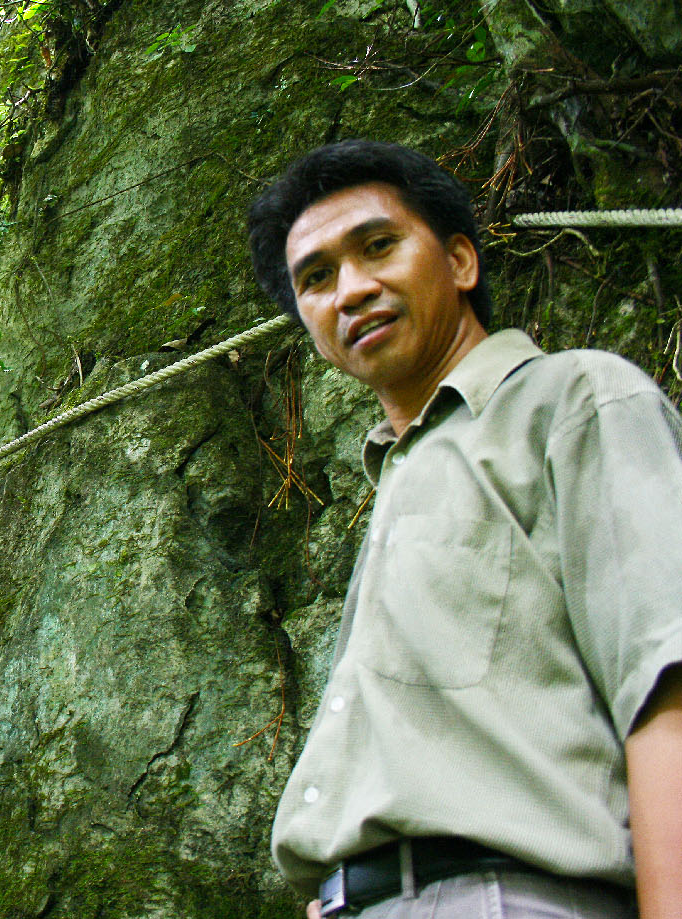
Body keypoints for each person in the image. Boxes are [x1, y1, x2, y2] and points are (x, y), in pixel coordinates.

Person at [247, 140, 682, 919]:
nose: (351, 289)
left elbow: (665, 682)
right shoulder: (399, 479)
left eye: (378, 245)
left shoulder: (575, 400)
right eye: (315, 278)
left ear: (459, 260)